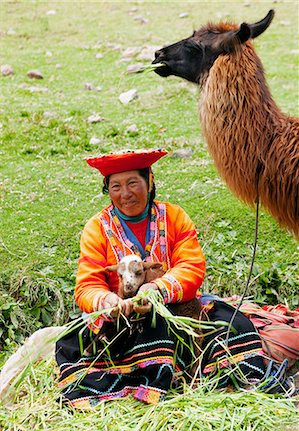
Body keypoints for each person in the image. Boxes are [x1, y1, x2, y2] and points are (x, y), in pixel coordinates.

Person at [55, 149, 294, 409]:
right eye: (115, 186)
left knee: (231, 325)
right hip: (121, 320)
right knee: (79, 344)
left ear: (150, 181)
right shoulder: (97, 228)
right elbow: (87, 285)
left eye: (133, 183)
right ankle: (138, 389)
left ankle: (236, 381)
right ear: (107, 190)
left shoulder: (174, 217)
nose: (125, 194)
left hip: (175, 309)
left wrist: (156, 289)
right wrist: (108, 301)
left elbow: (191, 266)